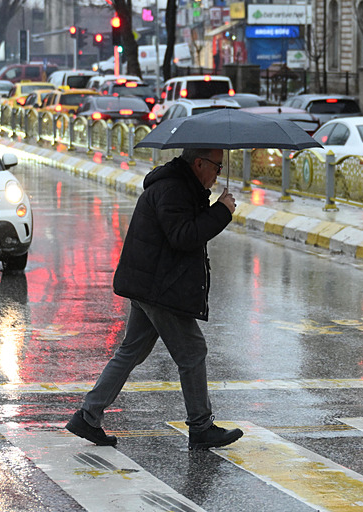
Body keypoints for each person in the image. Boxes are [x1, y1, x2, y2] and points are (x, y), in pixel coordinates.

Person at [66, 147, 243, 450]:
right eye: (216, 166)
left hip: (150, 282)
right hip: (159, 286)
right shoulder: (173, 189)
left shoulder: (182, 186)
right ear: (198, 163)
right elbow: (184, 236)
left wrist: (211, 206)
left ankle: (88, 415)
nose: (218, 174)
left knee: (132, 350)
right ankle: (201, 427)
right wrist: (222, 210)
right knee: (193, 351)